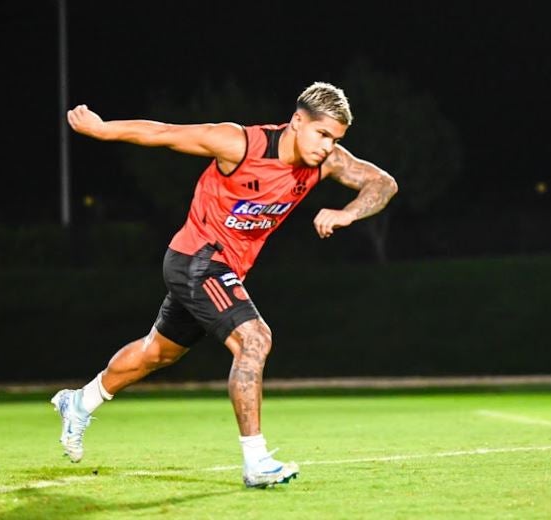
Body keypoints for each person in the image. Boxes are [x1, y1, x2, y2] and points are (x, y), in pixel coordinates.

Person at [51, 81, 398, 488]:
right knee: (255, 339)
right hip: (197, 260)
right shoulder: (240, 144)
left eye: (336, 138)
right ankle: (256, 460)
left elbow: (383, 183)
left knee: (157, 353)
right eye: (322, 134)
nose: (327, 146)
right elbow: (164, 133)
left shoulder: (327, 162)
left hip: (219, 268)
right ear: (297, 120)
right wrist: (101, 128)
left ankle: (81, 401)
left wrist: (349, 214)